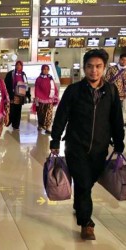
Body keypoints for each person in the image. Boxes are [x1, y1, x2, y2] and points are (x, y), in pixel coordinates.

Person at [50, 49, 124, 240]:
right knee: (82, 182)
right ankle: (86, 223)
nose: (94, 71)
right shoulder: (74, 91)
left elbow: (116, 119)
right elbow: (61, 116)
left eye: (98, 66)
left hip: (100, 148)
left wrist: (119, 142)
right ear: (84, 68)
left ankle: (80, 206)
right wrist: (55, 139)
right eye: (90, 66)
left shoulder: (111, 91)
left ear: (104, 68)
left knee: (88, 184)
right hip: (76, 147)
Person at [34, 64, 59, 134]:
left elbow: (54, 87)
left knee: (49, 114)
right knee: (40, 113)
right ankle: (40, 125)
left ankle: (47, 127)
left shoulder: (50, 78)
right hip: (40, 99)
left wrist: (56, 95)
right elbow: (37, 88)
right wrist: (37, 97)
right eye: (44, 69)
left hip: (49, 99)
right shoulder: (38, 79)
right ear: (42, 70)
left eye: (47, 69)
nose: (46, 71)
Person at [5, 60, 28, 130]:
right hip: (13, 95)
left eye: (20, 65)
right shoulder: (11, 74)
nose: (18, 66)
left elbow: (26, 84)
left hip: (20, 95)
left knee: (18, 110)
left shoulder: (23, 74)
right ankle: (9, 121)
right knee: (12, 110)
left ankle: (16, 125)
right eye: (17, 65)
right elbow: (7, 84)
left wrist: (27, 95)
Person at [104, 53, 126, 124]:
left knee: (119, 109)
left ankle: (118, 122)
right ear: (119, 59)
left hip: (121, 94)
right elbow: (106, 80)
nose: (124, 62)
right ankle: (108, 121)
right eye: (123, 60)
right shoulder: (111, 69)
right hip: (110, 93)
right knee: (109, 107)